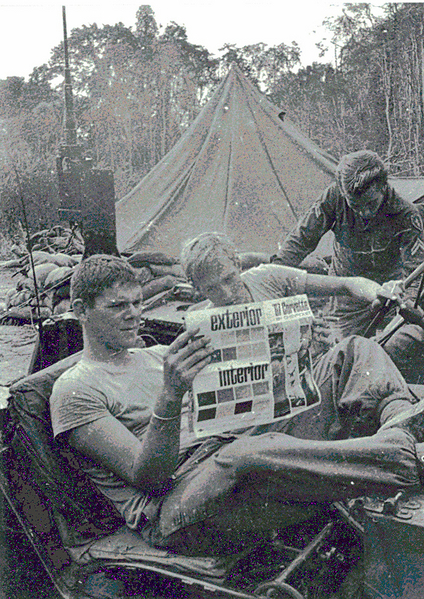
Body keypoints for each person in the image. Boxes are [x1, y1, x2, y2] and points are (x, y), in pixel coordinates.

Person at [50, 252, 423, 558]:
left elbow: (241, 394)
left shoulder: (155, 355)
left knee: (352, 353)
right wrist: (170, 395)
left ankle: (402, 425)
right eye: (118, 306)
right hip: (175, 504)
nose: (133, 314)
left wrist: (295, 353)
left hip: (225, 444)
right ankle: (407, 460)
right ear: (81, 310)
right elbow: (148, 478)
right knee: (245, 453)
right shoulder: (75, 389)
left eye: (137, 303)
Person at [270, 150, 424, 338]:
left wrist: (405, 308)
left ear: (383, 187)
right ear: (343, 194)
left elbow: (414, 272)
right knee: (341, 354)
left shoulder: (406, 214)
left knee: (389, 350)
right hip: (346, 301)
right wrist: (274, 274)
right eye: (356, 206)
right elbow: (301, 239)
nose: (365, 213)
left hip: (388, 300)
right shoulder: (333, 197)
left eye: (371, 203)